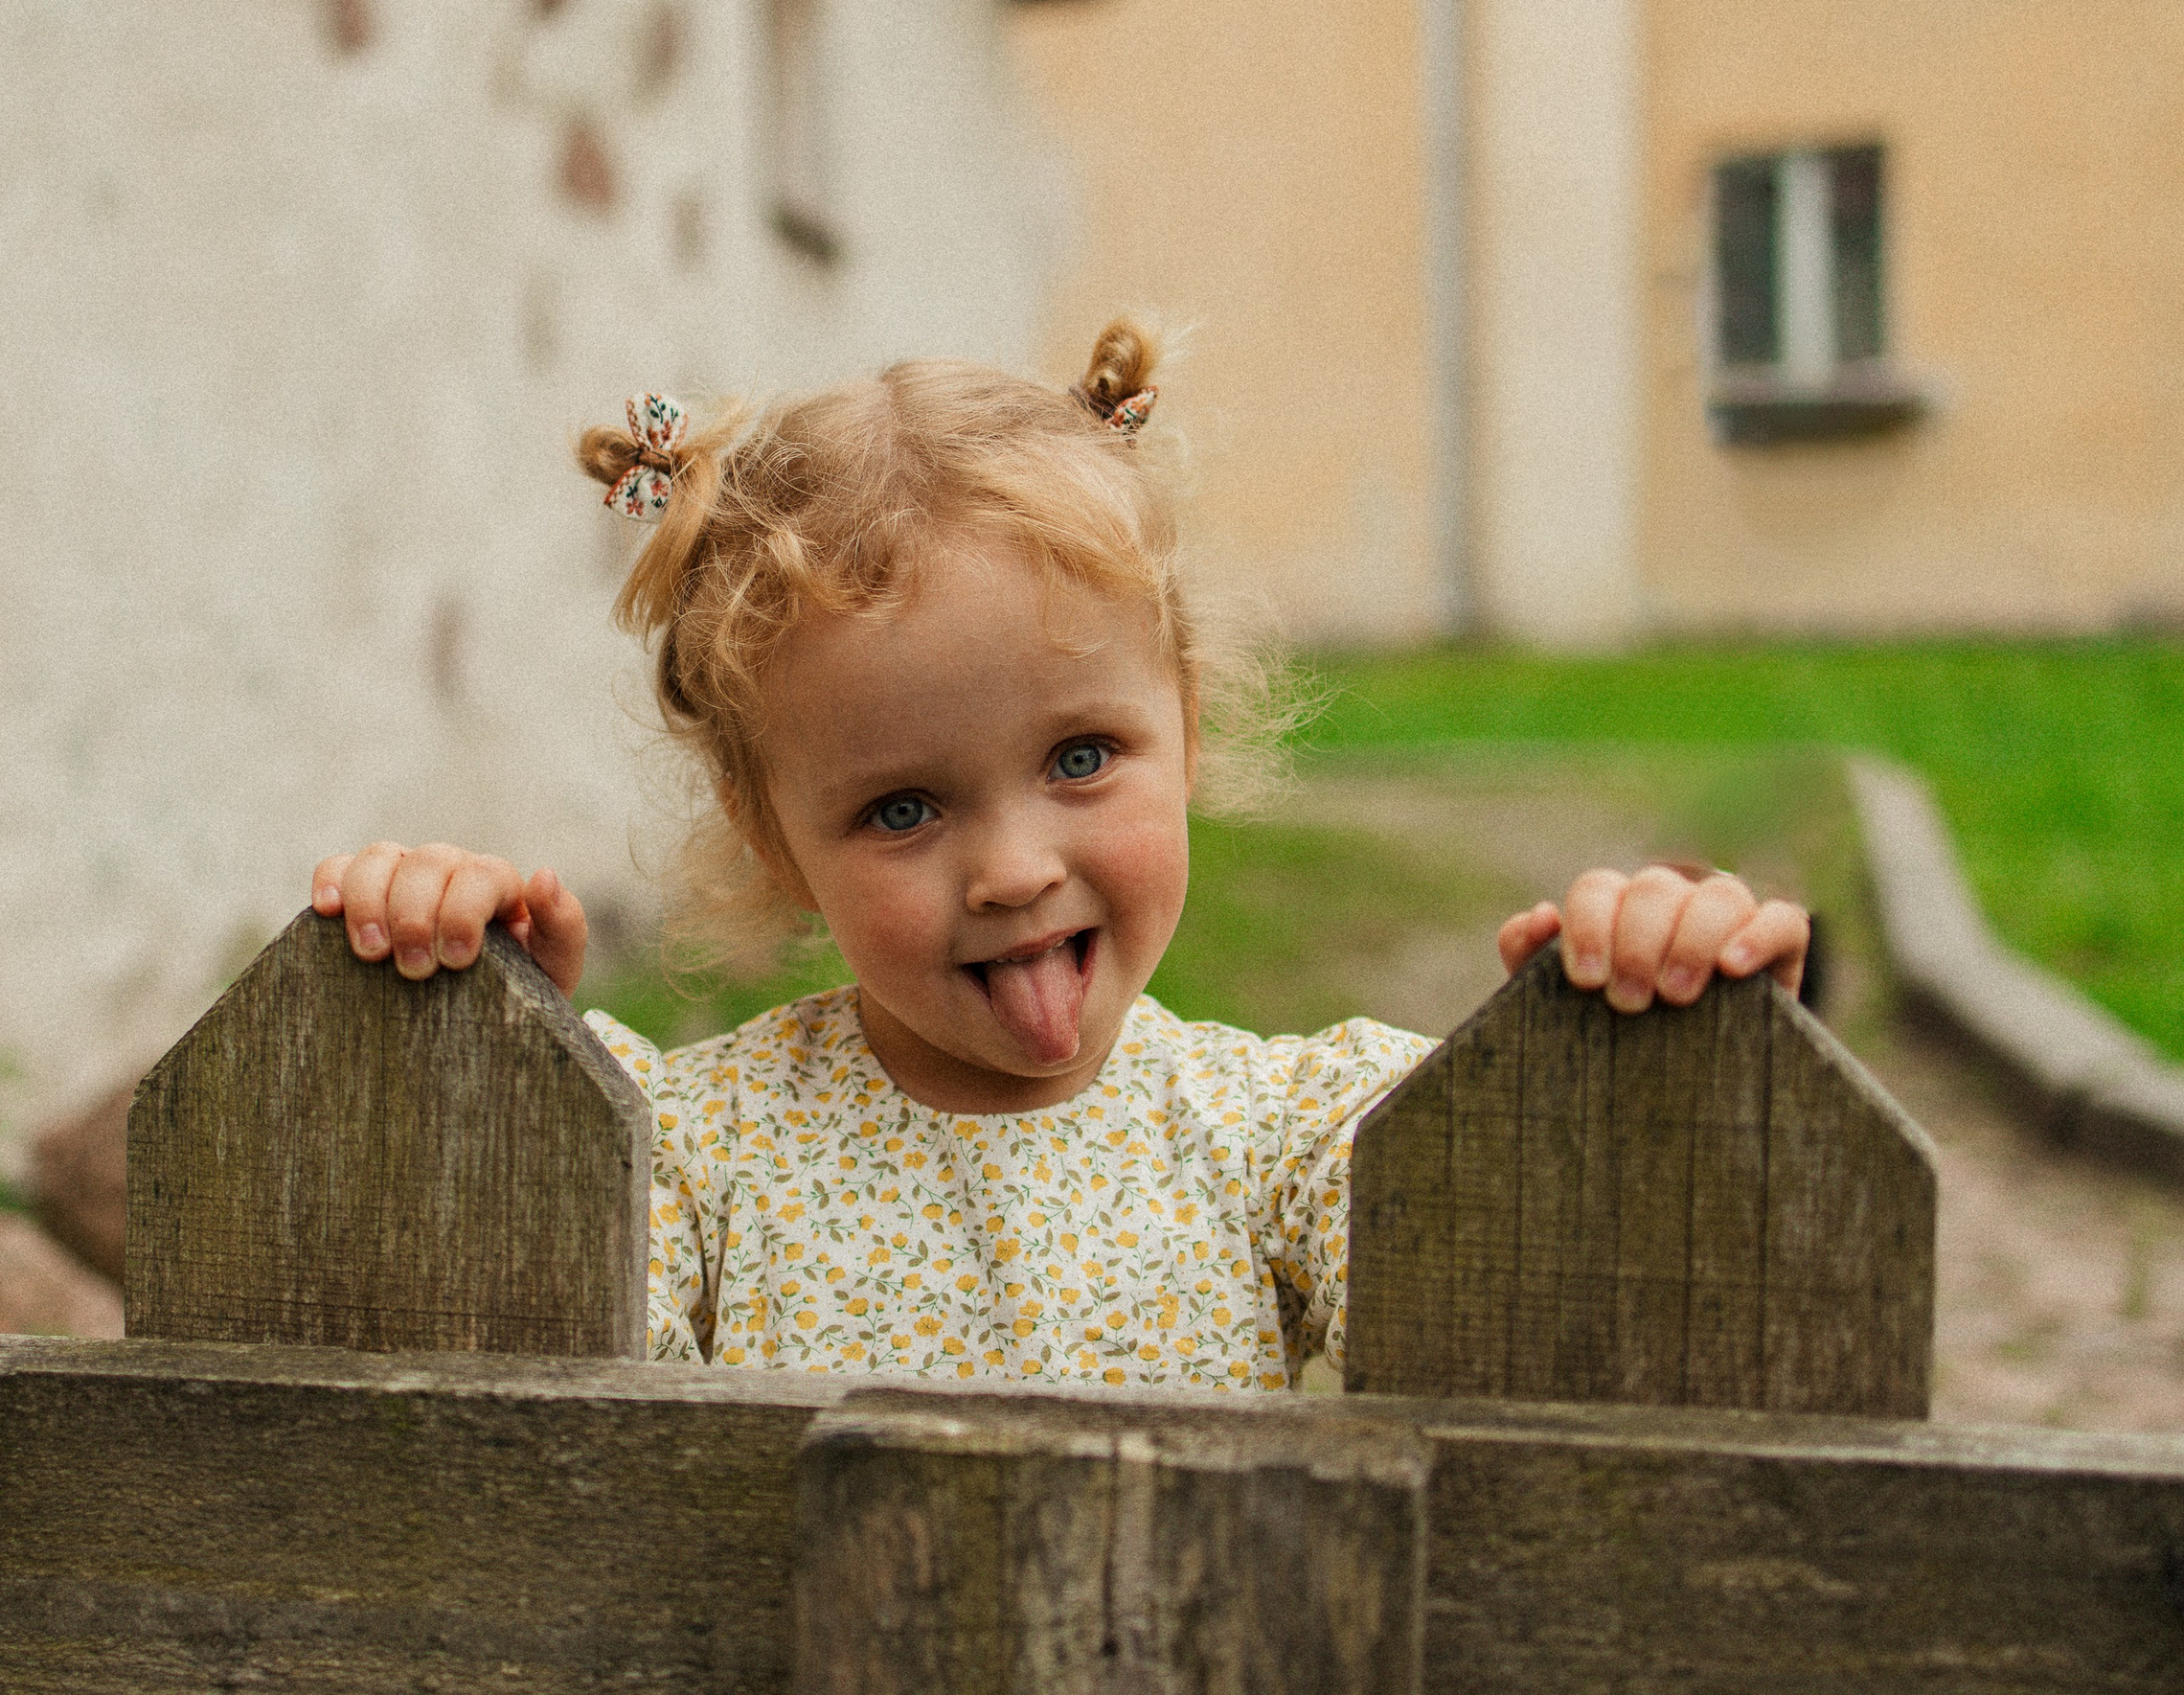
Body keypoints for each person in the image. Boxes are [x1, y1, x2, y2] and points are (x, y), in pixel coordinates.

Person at [311, 323, 1809, 1390]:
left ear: (1189, 726)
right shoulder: (699, 1156)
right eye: (902, 809)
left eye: (1080, 760)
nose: (1014, 868)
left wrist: (1643, 1042)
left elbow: (1534, 1287)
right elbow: (531, 1369)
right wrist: (486, 1049)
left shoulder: (1282, 1138)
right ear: (775, 838)